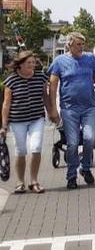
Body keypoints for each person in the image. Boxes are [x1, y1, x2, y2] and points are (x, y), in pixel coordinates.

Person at [47, 32, 95, 189]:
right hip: (69, 109)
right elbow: (52, 87)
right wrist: (53, 109)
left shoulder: (90, 59)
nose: (82, 47)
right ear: (70, 44)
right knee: (72, 143)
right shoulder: (59, 61)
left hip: (88, 107)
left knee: (89, 139)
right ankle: (71, 176)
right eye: (78, 44)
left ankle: (85, 168)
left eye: (83, 44)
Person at [2, 51, 56, 194]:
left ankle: (34, 181)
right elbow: (6, 104)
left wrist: (51, 111)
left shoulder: (40, 77)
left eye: (33, 62)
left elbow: (45, 96)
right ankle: (20, 182)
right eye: (29, 63)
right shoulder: (11, 80)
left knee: (36, 147)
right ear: (20, 65)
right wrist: (4, 125)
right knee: (21, 151)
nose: (32, 65)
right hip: (17, 120)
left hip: (36, 118)